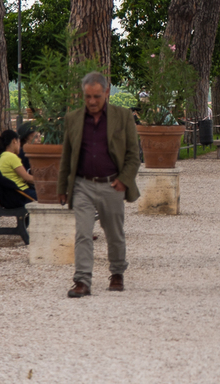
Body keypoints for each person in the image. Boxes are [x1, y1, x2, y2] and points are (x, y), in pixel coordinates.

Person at [58, 72, 141, 298]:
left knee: (114, 233)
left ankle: (117, 272)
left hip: (111, 183)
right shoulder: (73, 119)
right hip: (82, 185)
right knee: (83, 233)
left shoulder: (123, 117)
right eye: (87, 97)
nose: (92, 102)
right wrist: (62, 189)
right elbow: (67, 156)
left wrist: (124, 179)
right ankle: (82, 280)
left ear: (106, 92)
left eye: (96, 96)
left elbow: (134, 154)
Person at [0, 129, 36, 200]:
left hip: (12, 194)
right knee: (49, 196)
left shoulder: (3, 156)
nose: (19, 146)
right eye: (19, 142)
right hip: (20, 194)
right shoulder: (11, 157)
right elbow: (27, 178)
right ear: (14, 141)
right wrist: (44, 182)